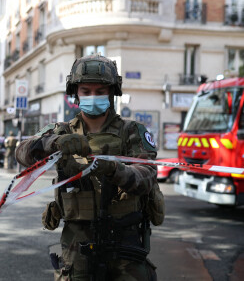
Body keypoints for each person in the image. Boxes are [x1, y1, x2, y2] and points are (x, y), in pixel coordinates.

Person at [15, 54, 165, 280]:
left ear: (112, 93)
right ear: (76, 93)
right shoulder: (61, 130)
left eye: (100, 91)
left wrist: (115, 170)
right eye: (86, 91)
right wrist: (52, 142)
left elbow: (146, 176)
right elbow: (22, 152)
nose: (93, 97)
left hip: (125, 239)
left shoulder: (132, 131)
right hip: (78, 240)